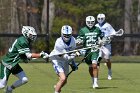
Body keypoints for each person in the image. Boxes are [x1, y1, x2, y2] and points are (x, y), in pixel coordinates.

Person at [0, 26, 49, 93]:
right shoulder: (22, 41)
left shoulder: (25, 40)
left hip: (14, 64)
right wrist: (40, 54)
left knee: (24, 80)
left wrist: (38, 56)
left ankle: (9, 89)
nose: (32, 37)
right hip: (7, 64)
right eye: (31, 35)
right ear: (25, 33)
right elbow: (28, 55)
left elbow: (25, 56)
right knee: (2, 85)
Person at [49, 25, 79, 93]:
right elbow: (65, 57)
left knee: (64, 81)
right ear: (62, 34)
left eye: (68, 35)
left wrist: (73, 64)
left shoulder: (73, 40)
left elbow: (71, 54)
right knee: (63, 78)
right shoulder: (58, 42)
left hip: (65, 61)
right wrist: (74, 55)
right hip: (57, 60)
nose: (67, 37)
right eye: (65, 35)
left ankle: (57, 87)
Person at [76, 16, 103, 88]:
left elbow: (101, 37)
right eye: (89, 22)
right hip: (87, 51)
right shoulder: (83, 30)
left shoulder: (97, 29)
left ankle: (96, 83)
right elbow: (79, 38)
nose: (90, 23)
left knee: (95, 65)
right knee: (90, 67)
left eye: (92, 22)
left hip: (95, 50)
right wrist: (79, 41)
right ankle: (93, 81)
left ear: (94, 22)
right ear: (86, 22)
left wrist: (101, 41)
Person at [95, 13, 116, 80]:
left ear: (104, 19)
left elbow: (113, 33)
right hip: (99, 45)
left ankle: (109, 71)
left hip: (107, 44)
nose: (100, 20)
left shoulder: (108, 25)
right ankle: (96, 75)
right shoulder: (96, 26)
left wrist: (110, 37)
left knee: (107, 59)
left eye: (101, 18)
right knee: (97, 59)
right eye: (99, 18)